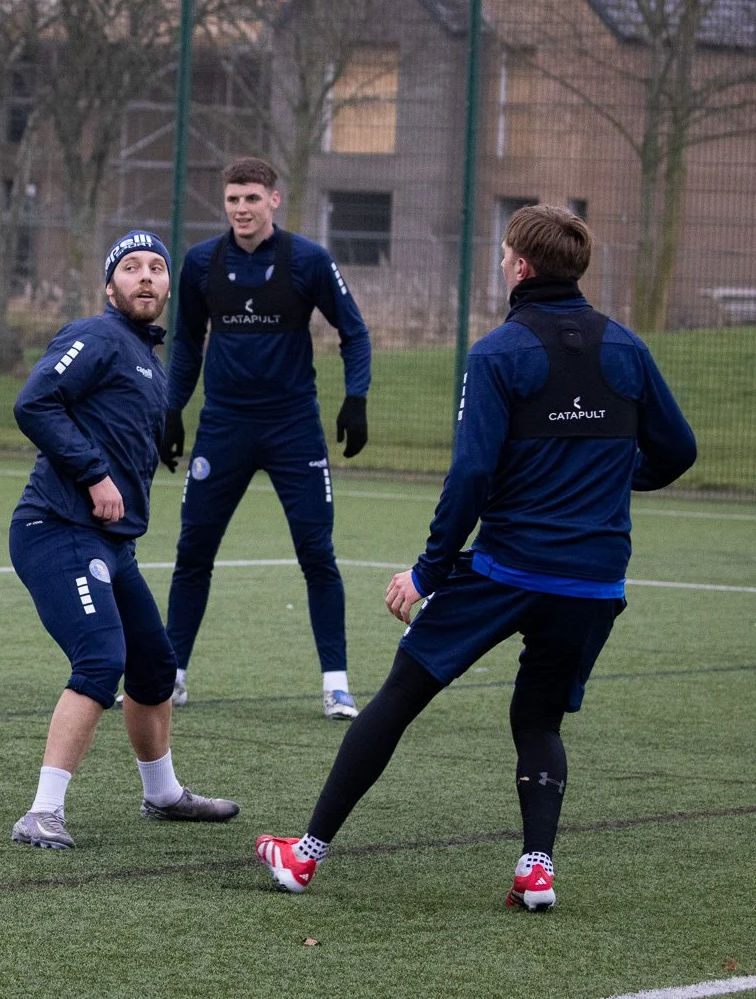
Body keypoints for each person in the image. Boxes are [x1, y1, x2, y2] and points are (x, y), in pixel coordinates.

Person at [255, 204, 695, 909]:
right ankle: (536, 868)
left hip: (504, 571)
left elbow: (471, 476)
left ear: (520, 264)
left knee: (397, 697)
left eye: (502, 253)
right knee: (539, 720)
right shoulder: (627, 348)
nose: (499, 261)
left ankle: (303, 857)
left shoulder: (498, 352)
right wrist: (610, 481)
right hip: (592, 578)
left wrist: (429, 571)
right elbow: (679, 450)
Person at [8, 231, 240, 850]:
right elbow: (34, 403)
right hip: (55, 531)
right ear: (110, 287)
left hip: (110, 543)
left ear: (168, 286)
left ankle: (162, 793)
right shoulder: (97, 335)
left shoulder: (144, 355)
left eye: (157, 268)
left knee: (154, 665)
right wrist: (94, 473)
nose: (146, 277)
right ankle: (42, 812)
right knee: (101, 661)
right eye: (131, 268)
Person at [162, 157, 373, 719]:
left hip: (293, 429)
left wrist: (357, 398)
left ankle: (336, 685)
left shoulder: (308, 260)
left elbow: (353, 332)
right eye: (233, 199)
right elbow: (185, 342)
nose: (241, 209)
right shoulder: (200, 262)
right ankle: (171, 677)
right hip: (223, 427)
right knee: (193, 552)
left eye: (252, 198)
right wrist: (171, 409)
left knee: (316, 554)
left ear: (273, 200)